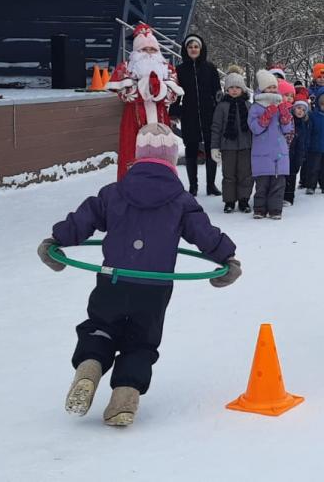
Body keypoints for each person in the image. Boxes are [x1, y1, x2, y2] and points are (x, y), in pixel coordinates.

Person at [37, 123, 241, 426]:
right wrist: (227, 258)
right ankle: (124, 399)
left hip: (112, 279)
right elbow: (203, 233)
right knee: (141, 343)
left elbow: (84, 218)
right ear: (172, 161)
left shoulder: (114, 193)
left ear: (138, 158)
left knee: (101, 326)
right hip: (154, 287)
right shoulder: (181, 200)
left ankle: (90, 366)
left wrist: (56, 241)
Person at [106, 23, 182, 181]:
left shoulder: (167, 69)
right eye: (144, 50)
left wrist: (158, 88)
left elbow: (172, 96)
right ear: (136, 52)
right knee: (132, 156)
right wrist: (144, 88)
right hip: (133, 121)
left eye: (153, 49)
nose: (149, 53)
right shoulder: (127, 68)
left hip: (160, 121)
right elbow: (125, 94)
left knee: (162, 156)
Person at [170, 34, 222, 196]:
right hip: (189, 114)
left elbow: (217, 92)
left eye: (196, 46)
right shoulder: (179, 70)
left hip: (209, 114)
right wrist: (174, 112)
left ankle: (211, 185)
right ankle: (193, 186)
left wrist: (220, 111)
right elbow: (175, 95)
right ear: (186, 50)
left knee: (210, 149)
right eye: (190, 47)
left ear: (201, 49)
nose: (193, 49)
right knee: (191, 149)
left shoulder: (210, 68)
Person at [248, 70, 294, 219]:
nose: (272, 90)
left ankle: (275, 209)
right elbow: (255, 128)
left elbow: (288, 129)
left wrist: (285, 116)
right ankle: (260, 209)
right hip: (262, 152)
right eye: (269, 87)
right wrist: (266, 116)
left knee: (278, 184)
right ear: (262, 89)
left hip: (279, 151)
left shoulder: (282, 105)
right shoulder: (255, 107)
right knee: (262, 184)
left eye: (274, 87)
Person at [211, 66, 253, 214]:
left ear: (243, 89)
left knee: (245, 174)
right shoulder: (222, 106)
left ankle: (244, 200)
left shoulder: (248, 106)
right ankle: (229, 201)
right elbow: (216, 128)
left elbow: (254, 127)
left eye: (237, 87)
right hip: (227, 146)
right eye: (231, 87)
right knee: (229, 175)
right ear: (226, 89)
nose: (234, 90)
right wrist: (214, 147)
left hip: (246, 146)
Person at [285, 93, 310, 205]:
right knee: (284, 176)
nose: (300, 111)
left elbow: (304, 142)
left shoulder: (304, 124)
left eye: (303, 110)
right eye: (298, 108)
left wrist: (302, 156)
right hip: (287, 153)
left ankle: (289, 198)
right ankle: (281, 195)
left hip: (297, 154)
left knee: (292, 175)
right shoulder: (289, 121)